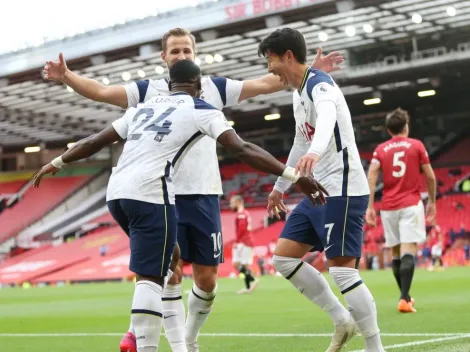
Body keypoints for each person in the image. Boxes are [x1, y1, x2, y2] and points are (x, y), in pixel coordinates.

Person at [43, 27, 343, 352]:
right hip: (160, 192)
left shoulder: (214, 87)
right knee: (165, 271)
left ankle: (177, 337)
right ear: (163, 56)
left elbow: (267, 82)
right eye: (175, 51)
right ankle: (171, 343)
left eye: (187, 50)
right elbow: (102, 91)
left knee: (207, 279)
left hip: (202, 192)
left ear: (194, 53)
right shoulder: (148, 92)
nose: (182, 55)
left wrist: (306, 73)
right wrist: (67, 76)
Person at [257, 28, 385, 352]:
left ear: (287, 56)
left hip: (342, 186)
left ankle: (375, 347)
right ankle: (342, 320)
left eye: (271, 61)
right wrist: (279, 187)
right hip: (319, 191)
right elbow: (300, 141)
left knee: (342, 272)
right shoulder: (300, 91)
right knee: (284, 259)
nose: (269, 70)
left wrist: (316, 150)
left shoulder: (319, 84)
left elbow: (327, 115)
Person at [366, 107, 437, 313]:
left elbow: (371, 175)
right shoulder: (416, 146)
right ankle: (404, 299)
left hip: (388, 207)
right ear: (406, 127)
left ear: (389, 130)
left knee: (396, 253)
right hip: (410, 204)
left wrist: (370, 205)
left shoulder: (380, 150)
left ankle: (405, 297)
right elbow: (430, 176)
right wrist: (432, 201)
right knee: (408, 251)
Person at [229, 195, 258, 294]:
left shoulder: (241, 214)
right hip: (245, 242)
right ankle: (248, 287)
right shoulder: (244, 213)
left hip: (244, 242)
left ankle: (253, 280)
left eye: (232, 203)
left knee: (237, 264)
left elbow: (242, 228)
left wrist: (237, 241)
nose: (230, 205)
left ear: (238, 202)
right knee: (243, 266)